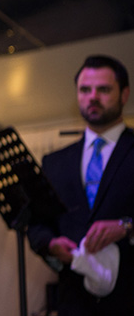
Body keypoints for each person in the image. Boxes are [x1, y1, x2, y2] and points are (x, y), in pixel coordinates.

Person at [27, 55, 133, 315]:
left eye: (103, 89)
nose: (92, 97)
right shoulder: (54, 162)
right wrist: (50, 244)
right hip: (73, 302)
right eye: (85, 90)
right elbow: (37, 224)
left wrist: (127, 226)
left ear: (124, 94)